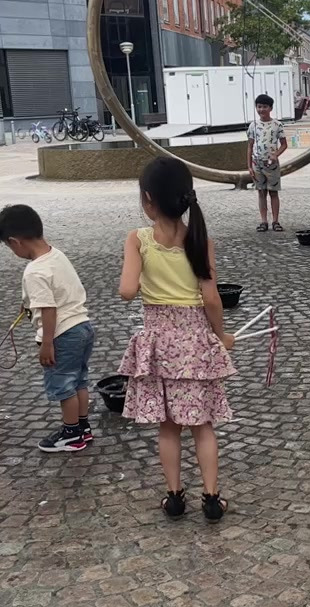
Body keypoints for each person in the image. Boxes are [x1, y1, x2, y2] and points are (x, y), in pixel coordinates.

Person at [118, 156, 236, 521]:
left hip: (159, 347)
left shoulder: (138, 239)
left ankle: (173, 497)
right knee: (203, 425)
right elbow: (211, 298)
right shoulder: (200, 240)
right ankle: (212, 499)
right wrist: (221, 336)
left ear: (148, 198)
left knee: (168, 428)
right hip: (196, 344)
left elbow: (127, 290)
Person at [0, 203, 94, 453]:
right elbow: (55, 291)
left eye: (9, 247)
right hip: (82, 327)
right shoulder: (56, 255)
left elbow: (49, 309)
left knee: (63, 384)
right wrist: (28, 303)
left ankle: (71, 434)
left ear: (15, 242)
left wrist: (47, 344)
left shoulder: (34, 271)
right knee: (79, 381)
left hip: (62, 334)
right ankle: (83, 427)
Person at [248, 94, 288, 232]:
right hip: (257, 162)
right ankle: (264, 221)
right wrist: (249, 166)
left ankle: (275, 221)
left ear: (270, 108)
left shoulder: (277, 125)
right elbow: (250, 146)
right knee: (261, 192)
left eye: (265, 107)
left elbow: (284, 144)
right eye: (259, 107)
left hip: (271, 164)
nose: (261, 110)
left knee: (273, 192)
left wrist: (276, 154)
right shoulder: (253, 125)